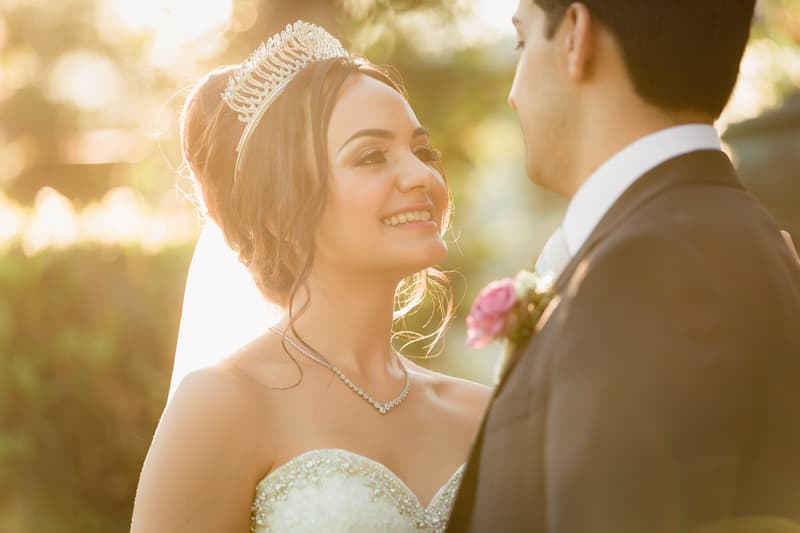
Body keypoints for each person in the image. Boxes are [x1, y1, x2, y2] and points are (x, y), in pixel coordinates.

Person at [448, 1, 800, 532]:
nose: (514, 93)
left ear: (575, 35)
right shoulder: (728, 238)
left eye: (522, 43)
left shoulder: (653, 272)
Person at [131, 21, 489, 533]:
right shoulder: (222, 404)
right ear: (282, 212)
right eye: (371, 156)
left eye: (422, 151)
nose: (422, 177)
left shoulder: (482, 413)